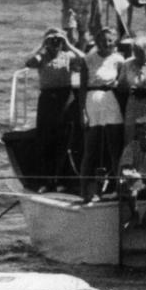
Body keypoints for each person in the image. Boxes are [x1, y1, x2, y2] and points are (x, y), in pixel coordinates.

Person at [25, 28, 84, 193]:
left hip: (65, 97)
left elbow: (85, 59)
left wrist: (68, 44)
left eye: (57, 41)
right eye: (52, 41)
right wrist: (42, 44)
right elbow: (28, 62)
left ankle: (62, 180)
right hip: (47, 99)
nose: (55, 44)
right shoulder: (41, 57)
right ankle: (46, 181)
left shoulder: (68, 56)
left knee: (64, 140)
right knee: (45, 139)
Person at [78, 27, 125, 203]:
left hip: (110, 100)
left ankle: (118, 188)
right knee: (91, 148)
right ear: (97, 41)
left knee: (115, 147)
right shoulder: (87, 59)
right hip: (92, 100)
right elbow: (82, 87)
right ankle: (85, 190)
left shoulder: (119, 59)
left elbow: (122, 81)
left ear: (114, 42)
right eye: (103, 40)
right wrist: (82, 111)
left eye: (110, 40)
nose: (107, 43)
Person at [117, 35, 146, 143]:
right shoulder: (127, 63)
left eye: (141, 51)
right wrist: (129, 88)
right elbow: (120, 85)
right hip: (133, 103)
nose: (138, 54)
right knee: (130, 137)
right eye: (135, 51)